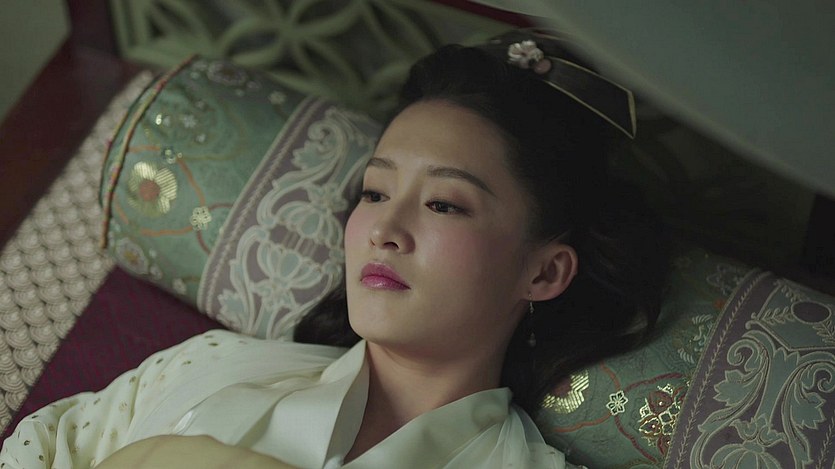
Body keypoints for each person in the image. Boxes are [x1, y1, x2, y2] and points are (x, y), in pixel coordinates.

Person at [0, 30, 665, 468]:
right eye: (375, 192)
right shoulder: (215, 365)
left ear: (544, 271)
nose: (383, 228)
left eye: (444, 203)